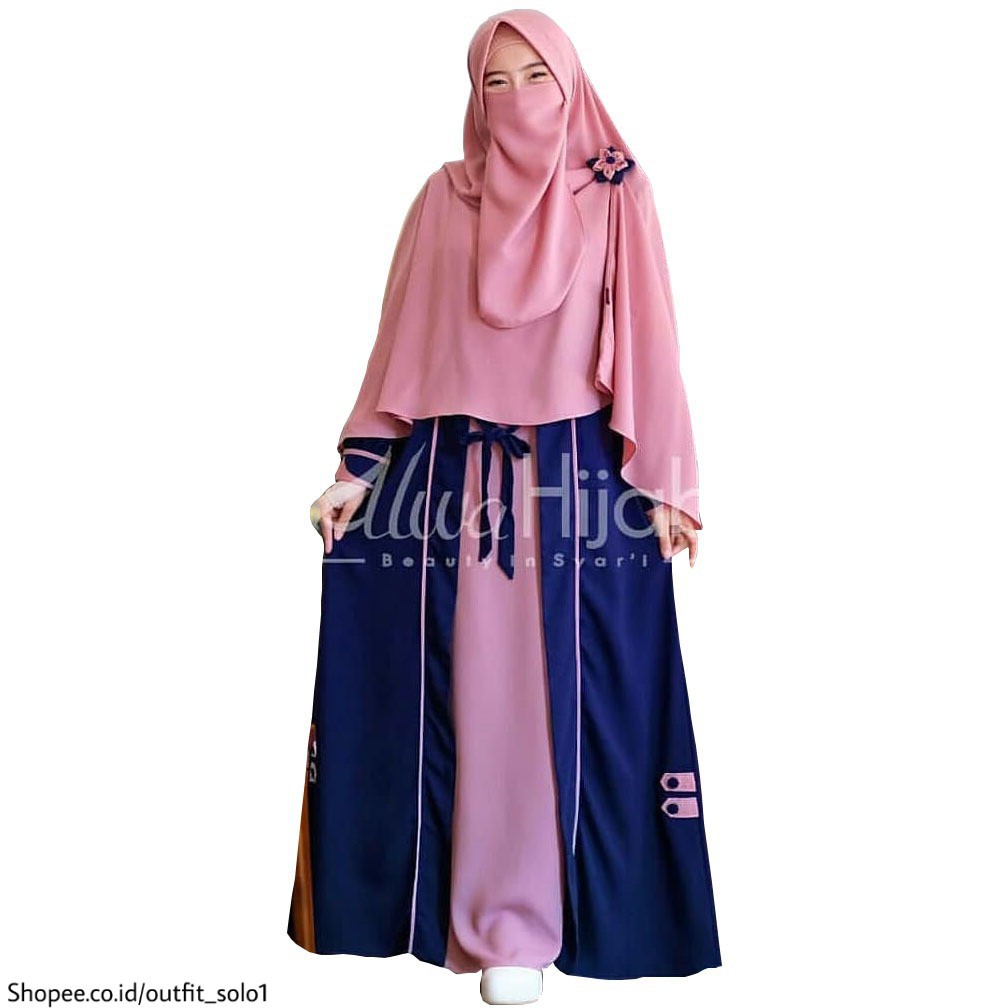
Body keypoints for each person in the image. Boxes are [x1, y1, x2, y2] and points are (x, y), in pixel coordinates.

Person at [291, 10, 720, 1004]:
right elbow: (402, 344)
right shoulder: (444, 198)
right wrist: (357, 470)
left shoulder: (615, 193)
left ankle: (547, 917)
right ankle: (473, 918)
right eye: (495, 80)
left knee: (563, 697)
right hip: (450, 484)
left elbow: (650, 338)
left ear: (572, 88)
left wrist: (670, 481)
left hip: (578, 484)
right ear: (471, 97)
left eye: (538, 78)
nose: (518, 99)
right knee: (465, 697)